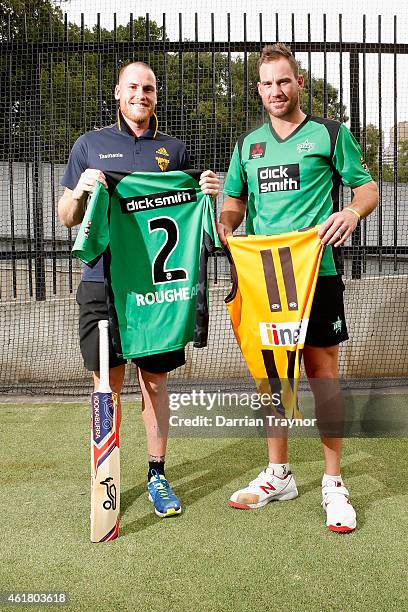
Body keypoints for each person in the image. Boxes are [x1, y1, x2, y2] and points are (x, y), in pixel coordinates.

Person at [217, 43, 378, 532]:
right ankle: (279, 474)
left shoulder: (330, 134)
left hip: (318, 274)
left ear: (299, 82)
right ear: (259, 89)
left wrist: (351, 211)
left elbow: (367, 187)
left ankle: (333, 483)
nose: (274, 91)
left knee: (321, 372)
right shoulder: (248, 146)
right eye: (265, 84)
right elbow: (232, 202)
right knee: (272, 379)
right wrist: (228, 228)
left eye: (283, 81)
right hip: (265, 280)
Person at [58, 61, 219, 518]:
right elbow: (66, 217)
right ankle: (105, 474)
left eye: (148, 89)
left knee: (155, 382)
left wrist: (210, 192)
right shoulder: (89, 145)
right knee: (106, 383)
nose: (141, 95)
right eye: (133, 87)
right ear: (117, 92)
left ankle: (157, 474)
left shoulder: (175, 151)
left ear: (155, 96)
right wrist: (80, 191)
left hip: (156, 293)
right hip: (102, 284)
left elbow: (207, 226)